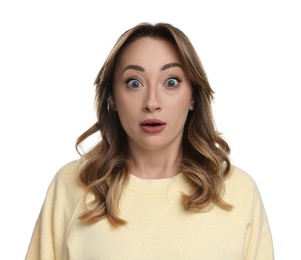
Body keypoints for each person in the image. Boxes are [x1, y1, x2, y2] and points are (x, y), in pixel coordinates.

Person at [25, 22, 274, 259]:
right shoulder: (72, 185)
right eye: (134, 83)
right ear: (112, 98)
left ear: (193, 98)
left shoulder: (238, 191)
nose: (152, 102)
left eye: (171, 82)